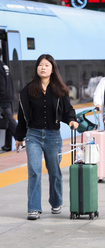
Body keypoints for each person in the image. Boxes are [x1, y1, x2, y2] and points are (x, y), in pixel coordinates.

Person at [14, 54, 79, 220]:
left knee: (55, 172)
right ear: (36, 68)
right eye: (40, 65)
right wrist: (19, 137)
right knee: (34, 171)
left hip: (53, 136)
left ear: (52, 69)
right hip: (33, 136)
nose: (43, 68)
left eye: (47, 65)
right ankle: (34, 208)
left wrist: (72, 120)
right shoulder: (27, 91)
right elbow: (22, 116)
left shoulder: (60, 91)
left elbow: (67, 110)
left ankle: (56, 202)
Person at [0, 49, 17, 152]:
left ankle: (21, 138)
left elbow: (1, 84)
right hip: (8, 97)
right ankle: (8, 144)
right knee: (8, 119)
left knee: (9, 119)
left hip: (3, 98)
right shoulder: (4, 65)